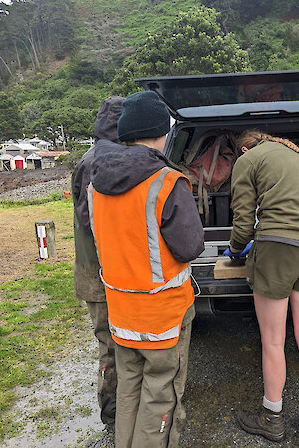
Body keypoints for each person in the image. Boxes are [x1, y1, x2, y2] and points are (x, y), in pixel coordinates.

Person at [89, 90, 205, 448]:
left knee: (129, 392)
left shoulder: (97, 185)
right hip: (163, 316)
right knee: (160, 396)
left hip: (121, 314)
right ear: (162, 133)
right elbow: (190, 247)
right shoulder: (167, 182)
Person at [227, 130, 299, 447]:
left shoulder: (248, 159)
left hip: (278, 247)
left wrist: (235, 250)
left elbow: (244, 222)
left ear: (245, 148)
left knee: (273, 340)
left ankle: (271, 419)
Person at [72, 96, 124, 434]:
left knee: (115, 344)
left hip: (102, 272)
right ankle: (112, 416)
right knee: (110, 345)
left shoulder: (95, 156)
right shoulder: (99, 162)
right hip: (100, 274)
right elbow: (94, 221)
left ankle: (119, 411)